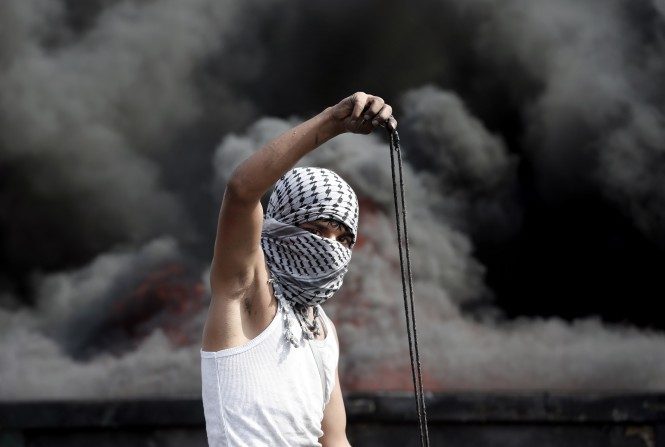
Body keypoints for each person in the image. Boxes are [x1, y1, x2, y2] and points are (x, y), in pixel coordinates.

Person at [200, 92, 397, 446]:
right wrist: (332, 122)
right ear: (280, 226)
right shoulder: (248, 292)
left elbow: (335, 440)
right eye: (317, 231)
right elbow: (243, 191)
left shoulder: (322, 330)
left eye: (342, 239)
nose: (330, 247)